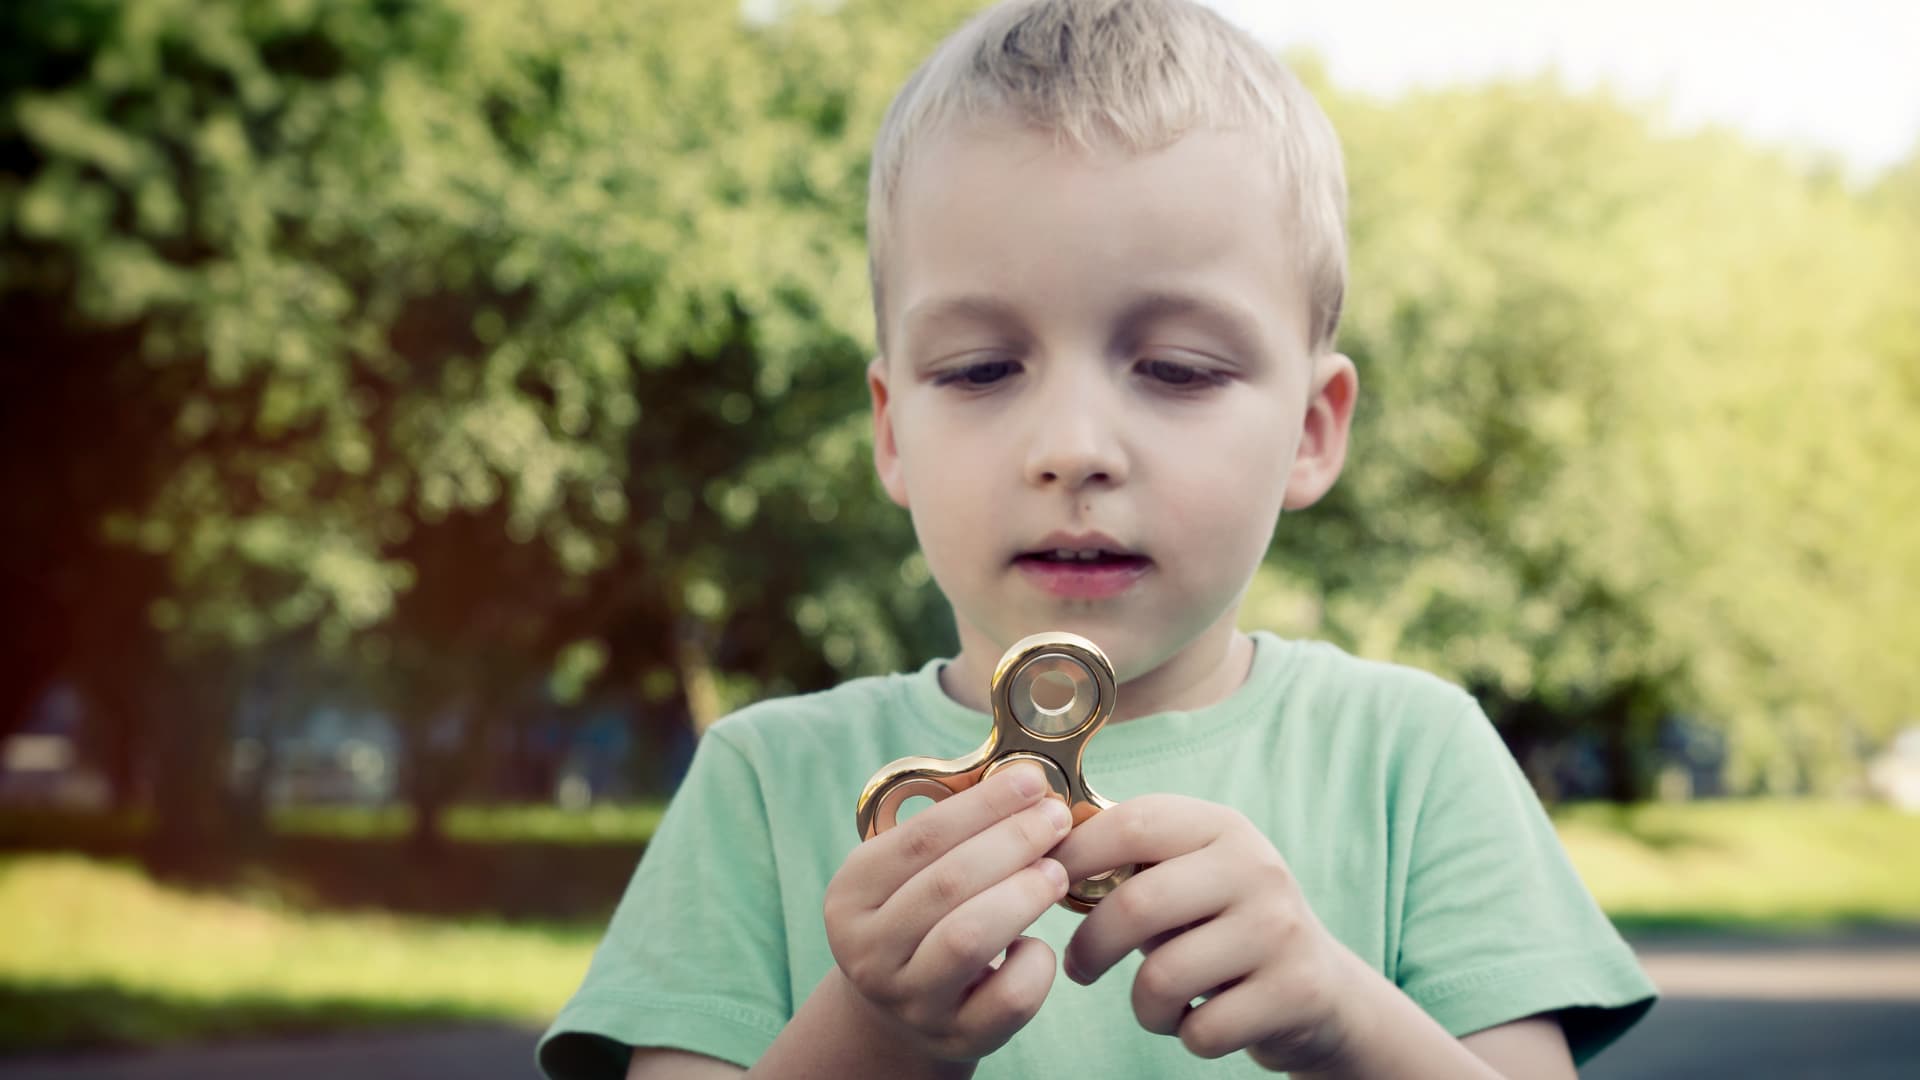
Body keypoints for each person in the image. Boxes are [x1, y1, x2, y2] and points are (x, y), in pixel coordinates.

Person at [538, 1, 1656, 1076]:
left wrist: (1340, 1018)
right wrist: (880, 1038)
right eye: (980, 369)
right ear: (891, 433)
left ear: (1313, 432)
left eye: (1178, 370)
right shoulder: (763, 787)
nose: (1073, 449)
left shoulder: (1413, 759)